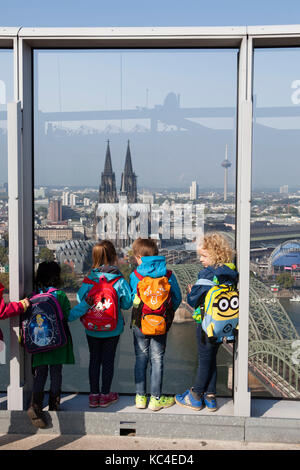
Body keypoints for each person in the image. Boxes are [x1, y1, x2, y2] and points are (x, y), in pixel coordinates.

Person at [175, 232, 238, 412]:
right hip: (223, 325)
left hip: (206, 325)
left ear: (215, 254)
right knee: (211, 359)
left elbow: (193, 300)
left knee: (204, 360)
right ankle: (210, 398)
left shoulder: (208, 273)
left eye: (204, 255)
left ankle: (195, 395)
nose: (201, 259)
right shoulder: (231, 272)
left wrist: (191, 291)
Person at [68, 240, 132, 408]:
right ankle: (105, 395)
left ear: (94, 257)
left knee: (94, 361)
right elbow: (126, 304)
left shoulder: (89, 280)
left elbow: (82, 300)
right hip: (113, 328)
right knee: (109, 361)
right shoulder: (118, 280)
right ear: (113, 257)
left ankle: (93, 395)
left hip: (92, 328)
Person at [27, 261, 89, 428]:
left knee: (40, 374)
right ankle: (54, 406)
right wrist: (86, 304)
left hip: (39, 343)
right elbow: (68, 316)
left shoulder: (32, 296)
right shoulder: (60, 295)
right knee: (56, 373)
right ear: (57, 277)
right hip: (57, 342)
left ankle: (36, 405)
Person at [130, 238, 182, 412]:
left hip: (140, 324)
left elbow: (132, 299)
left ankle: (139, 398)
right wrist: (164, 313)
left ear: (139, 257)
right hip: (160, 324)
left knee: (140, 359)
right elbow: (177, 299)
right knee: (157, 360)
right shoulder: (168, 275)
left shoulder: (135, 275)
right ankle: (155, 400)